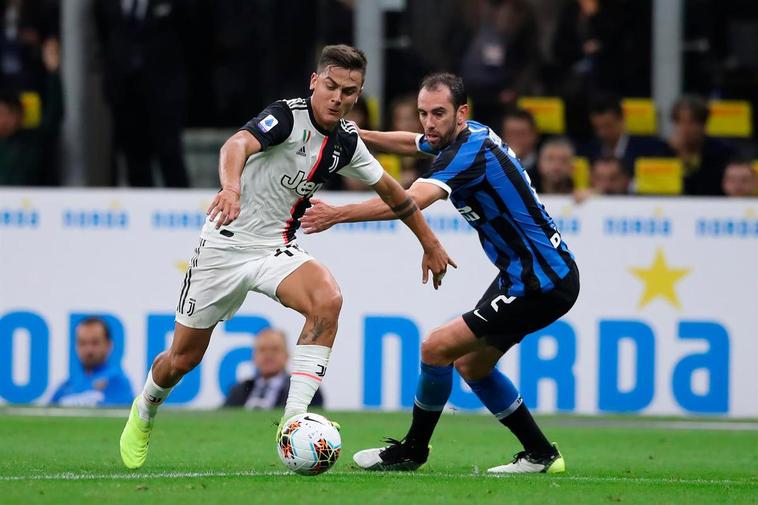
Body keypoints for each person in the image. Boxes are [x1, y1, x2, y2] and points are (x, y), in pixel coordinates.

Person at [119, 44, 454, 470]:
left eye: (349, 92)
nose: (338, 98)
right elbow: (236, 144)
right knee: (181, 360)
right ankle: (144, 410)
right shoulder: (285, 116)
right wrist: (231, 187)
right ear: (315, 82)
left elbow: (395, 193)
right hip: (224, 245)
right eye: (331, 86)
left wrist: (429, 242)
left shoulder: (346, 142)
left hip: (276, 248)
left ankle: (293, 420)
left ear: (358, 94)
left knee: (327, 299)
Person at [301, 73, 579, 474]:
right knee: (472, 365)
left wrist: (338, 214)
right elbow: (410, 142)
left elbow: (410, 201)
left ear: (461, 113)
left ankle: (413, 450)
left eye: (438, 114)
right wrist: (358, 133)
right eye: (422, 114)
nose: (428, 123)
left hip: (542, 281)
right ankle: (541, 455)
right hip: (527, 274)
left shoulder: (467, 154)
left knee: (436, 348)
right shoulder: (463, 137)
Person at [0, 37, 62, 186]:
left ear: (18, 115)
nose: (1, 120)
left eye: (4, 114)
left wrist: (54, 73)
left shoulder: (34, 141)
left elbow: (54, 115)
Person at [223, 328, 324, 409]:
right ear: (254, 356)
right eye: (262, 350)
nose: (268, 355)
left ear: (286, 355)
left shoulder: (304, 390)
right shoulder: (239, 390)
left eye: (275, 349)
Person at [50, 317, 133, 407]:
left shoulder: (117, 382)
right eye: (83, 343)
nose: (89, 350)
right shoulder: (66, 386)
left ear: (109, 345)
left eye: (95, 343)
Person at [583, 94, 671, 175]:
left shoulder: (649, 148)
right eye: (597, 128)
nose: (602, 133)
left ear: (621, 120)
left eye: (608, 126)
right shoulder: (590, 151)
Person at [668, 95, 734, 196]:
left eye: (691, 122)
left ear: (703, 124)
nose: (685, 129)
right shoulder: (662, 152)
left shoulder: (721, 152)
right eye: (680, 122)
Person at [501, 108, 539, 176]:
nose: (515, 139)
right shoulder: (494, 165)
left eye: (521, 134)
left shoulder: (543, 165)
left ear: (534, 135)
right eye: (510, 134)